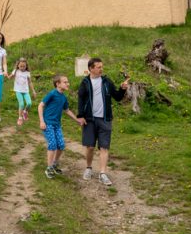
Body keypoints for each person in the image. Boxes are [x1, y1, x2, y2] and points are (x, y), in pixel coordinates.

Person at [75, 56, 128, 188]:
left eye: (101, 67)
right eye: (98, 67)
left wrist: (122, 89)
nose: (101, 69)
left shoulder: (106, 81)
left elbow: (117, 97)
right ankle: (88, 168)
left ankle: (103, 173)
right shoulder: (85, 83)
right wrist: (80, 116)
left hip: (105, 119)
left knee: (104, 147)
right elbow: (81, 100)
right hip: (89, 119)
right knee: (90, 146)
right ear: (91, 69)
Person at [38, 73, 72, 176]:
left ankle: (54, 164)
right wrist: (42, 121)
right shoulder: (52, 94)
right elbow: (40, 106)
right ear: (58, 84)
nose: (68, 84)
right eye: (65, 82)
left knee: (61, 145)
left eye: (67, 82)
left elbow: (67, 110)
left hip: (57, 125)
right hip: (47, 123)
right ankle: (49, 168)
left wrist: (78, 120)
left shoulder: (63, 97)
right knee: (52, 144)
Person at [11, 56, 35, 126]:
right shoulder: (16, 71)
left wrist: (33, 91)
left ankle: (25, 112)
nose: (22, 68)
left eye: (24, 66)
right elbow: (10, 77)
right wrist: (7, 75)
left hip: (25, 91)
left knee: (29, 103)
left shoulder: (27, 73)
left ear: (26, 66)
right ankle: (20, 118)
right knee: (21, 104)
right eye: (21, 66)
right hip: (18, 90)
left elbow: (30, 82)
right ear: (18, 65)